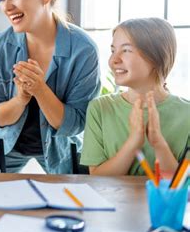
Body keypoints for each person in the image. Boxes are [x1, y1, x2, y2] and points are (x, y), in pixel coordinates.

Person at [0, 0, 101, 174]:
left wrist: (40, 89)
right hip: (2, 144)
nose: (6, 7)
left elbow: (76, 123)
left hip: (59, 148)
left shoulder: (83, 50)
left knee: (76, 203)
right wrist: (20, 99)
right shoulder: (1, 44)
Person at [81, 18, 189, 175]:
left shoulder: (187, 114)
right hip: (111, 200)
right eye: (113, 51)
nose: (113, 60)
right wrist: (133, 142)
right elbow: (98, 178)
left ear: (156, 57)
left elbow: (182, 185)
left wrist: (159, 143)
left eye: (126, 50)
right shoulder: (100, 108)